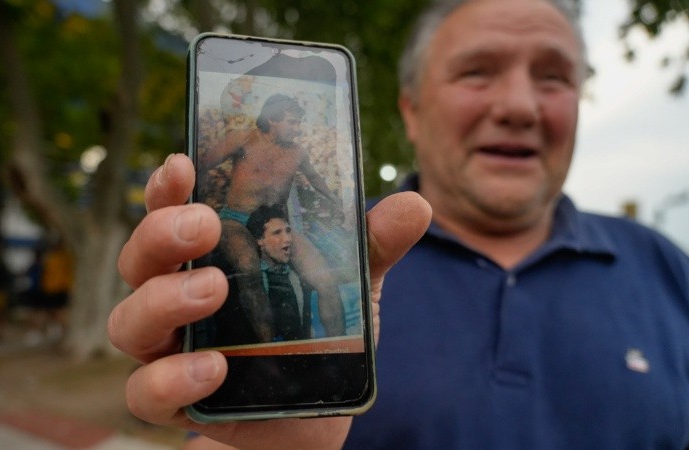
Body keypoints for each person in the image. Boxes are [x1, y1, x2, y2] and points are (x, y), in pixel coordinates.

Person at [107, 0, 689, 449]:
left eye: (555, 77)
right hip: (236, 221)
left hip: (285, 222)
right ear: (410, 110)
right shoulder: (367, 244)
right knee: (244, 276)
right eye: (478, 72)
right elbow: (209, 165)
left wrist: (320, 205)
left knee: (326, 279)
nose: (519, 105)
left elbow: (312, 186)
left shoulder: (668, 268)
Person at [200, 93, 345, 342]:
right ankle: (267, 348)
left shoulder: (298, 153)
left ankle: (342, 351)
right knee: (247, 266)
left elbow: (315, 178)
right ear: (272, 120)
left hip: (277, 225)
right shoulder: (244, 138)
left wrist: (335, 201)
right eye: (292, 122)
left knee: (326, 280)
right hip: (236, 220)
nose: (297, 129)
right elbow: (202, 163)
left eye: (299, 123)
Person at [245, 204, 309, 342]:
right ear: (260, 240)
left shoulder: (297, 278)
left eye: (288, 231)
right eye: (277, 233)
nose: (288, 239)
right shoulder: (253, 282)